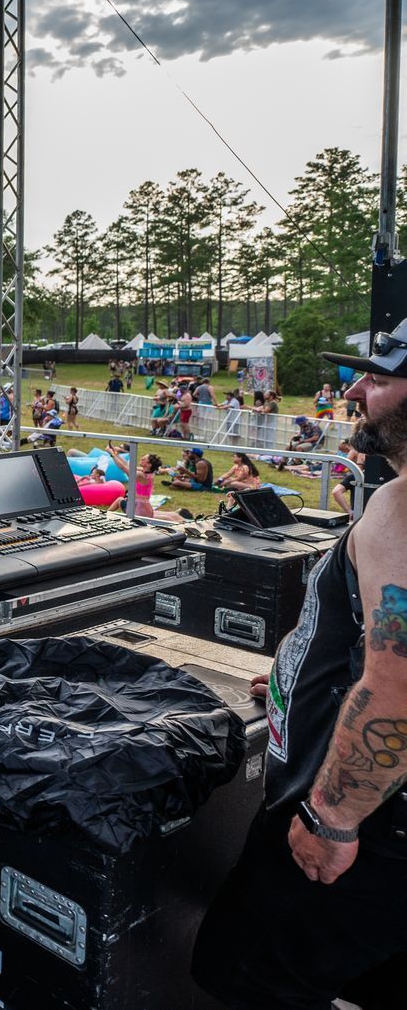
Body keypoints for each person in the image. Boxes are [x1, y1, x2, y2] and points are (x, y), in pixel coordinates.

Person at [192, 326, 407, 1007]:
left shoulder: (402, 510)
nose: (354, 391)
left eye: (376, 378)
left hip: (366, 831)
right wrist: (296, 678)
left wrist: (330, 820)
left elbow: (400, 686)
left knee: (243, 974)